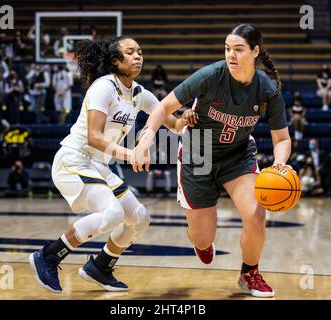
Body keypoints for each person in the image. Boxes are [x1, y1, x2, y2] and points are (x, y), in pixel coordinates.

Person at [132, 24, 291, 298]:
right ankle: (202, 242)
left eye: (238, 49)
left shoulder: (267, 88)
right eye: (227, 48)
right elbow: (164, 106)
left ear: (255, 52)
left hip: (238, 155)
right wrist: (146, 139)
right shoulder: (211, 75)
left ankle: (249, 273)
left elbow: (282, 138)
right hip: (199, 154)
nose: (231, 54)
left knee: (255, 215)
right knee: (203, 239)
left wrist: (278, 164)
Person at [29, 36, 194, 293]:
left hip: (98, 166)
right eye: (130, 52)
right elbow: (94, 137)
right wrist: (133, 155)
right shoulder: (103, 87)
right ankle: (49, 256)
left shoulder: (138, 93)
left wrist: (187, 118)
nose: (138, 56)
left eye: (140, 51)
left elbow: (172, 124)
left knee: (139, 219)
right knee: (113, 214)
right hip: (74, 159)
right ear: (116, 61)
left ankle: (100, 266)